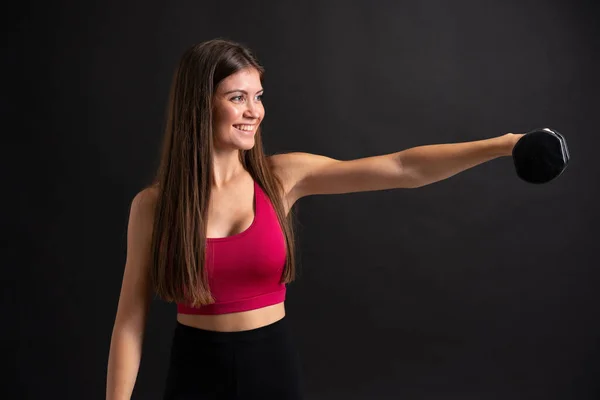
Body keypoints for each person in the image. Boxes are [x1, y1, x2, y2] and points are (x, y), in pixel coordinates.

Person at [105, 39, 525, 400]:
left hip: (271, 371)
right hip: (193, 375)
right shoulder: (155, 206)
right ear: (199, 104)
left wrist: (505, 145)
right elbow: (129, 321)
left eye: (259, 96)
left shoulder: (281, 178)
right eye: (237, 97)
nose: (254, 111)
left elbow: (402, 168)